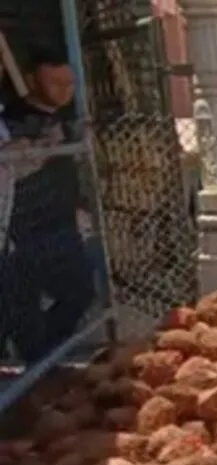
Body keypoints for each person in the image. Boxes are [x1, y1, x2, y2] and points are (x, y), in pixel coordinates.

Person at [0, 45, 94, 364]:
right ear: (31, 81)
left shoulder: (66, 119)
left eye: (69, 83)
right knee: (21, 311)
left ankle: (48, 359)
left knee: (80, 293)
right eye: (55, 83)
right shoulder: (13, 119)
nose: (65, 91)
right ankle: (37, 366)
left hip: (62, 225)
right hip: (23, 231)